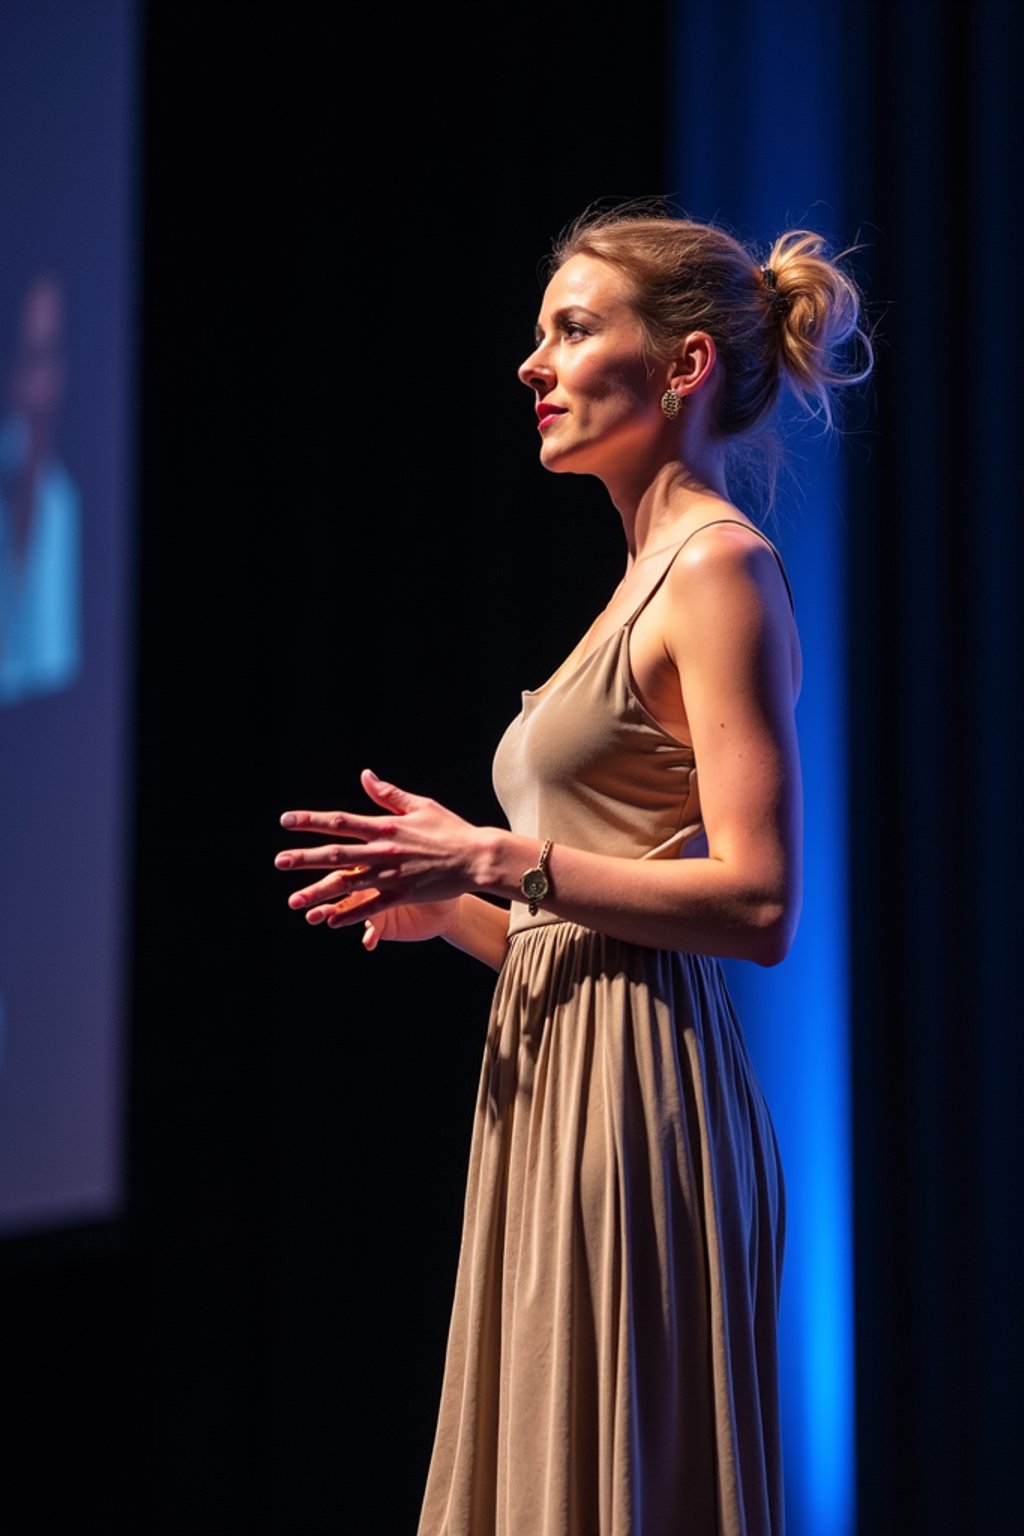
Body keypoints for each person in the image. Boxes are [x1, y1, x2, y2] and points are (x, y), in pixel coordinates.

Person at [275, 205, 871, 1536]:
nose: (532, 367)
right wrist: (466, 915)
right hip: (552, 1093)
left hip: (639, 1111)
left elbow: (759, 904)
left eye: (571, 328)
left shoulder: (720, 570)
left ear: (682, 366)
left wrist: (500, 853)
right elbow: (601, 924)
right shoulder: (635, 581)